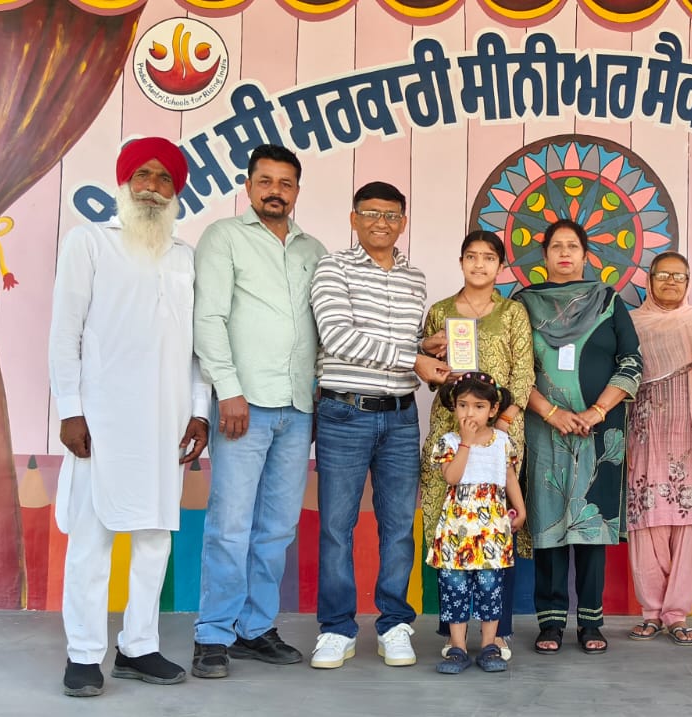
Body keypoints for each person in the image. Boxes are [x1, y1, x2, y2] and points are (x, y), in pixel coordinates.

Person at [49, 137, 209, 696]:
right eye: (142, 175)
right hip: (101, 421)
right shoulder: (90, 242)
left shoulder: (186, 257)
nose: (152, 187)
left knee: (154, 539)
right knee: (91, 541)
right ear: (124, 183)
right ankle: (83, 654)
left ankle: (138, 647)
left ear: (176, 192)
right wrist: (70, 411)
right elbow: (64, 333)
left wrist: (199, 412)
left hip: (167, 423)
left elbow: (197, 347)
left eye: (164, 179)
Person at [191, 144, 327, 678]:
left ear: (297, 191)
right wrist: (228, 390)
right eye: (265, 181)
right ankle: (212, 633)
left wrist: (318, 389)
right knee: (230, 524)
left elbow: (322, 326)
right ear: (248, 186)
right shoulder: (224, 237)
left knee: (276, 528)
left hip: (298, 406)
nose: (275, 191)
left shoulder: (313, 249)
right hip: (242, 406)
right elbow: (209, 318)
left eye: (285, 183)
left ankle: (255, 628)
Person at [310, 181, 451, 669]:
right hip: (343, 413)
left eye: (391, 215)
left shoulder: (415, 279)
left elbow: (404, 343)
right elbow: (338, 337)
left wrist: (425, 348)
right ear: (353, 219)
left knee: (398, 527)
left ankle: (395, 624)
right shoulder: (333, 267)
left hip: (401, 417)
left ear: (403, 223)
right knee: (337, 527)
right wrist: (413, 359)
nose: (381, 223)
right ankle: (336, 629)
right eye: (370, 213)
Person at [514, 219, 642, 656]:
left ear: (587, 256)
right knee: (549, 522)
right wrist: (551, 412)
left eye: (573, 246)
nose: (565, 253)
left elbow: (631, 361)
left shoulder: (608, 301)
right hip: (542, 430)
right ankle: (549, 624)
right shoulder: (523, 304)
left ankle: (591, 622)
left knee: (591, 526)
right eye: (556, 246)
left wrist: (596, 411)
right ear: (544, 255)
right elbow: (513, 367)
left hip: (597, 432)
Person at [418, 231, 534, 661]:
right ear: (461, 261)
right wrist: (432, 355)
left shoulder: (513, 312)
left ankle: (496, 634)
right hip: (450, 431)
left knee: (496, 528)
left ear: (501, 266)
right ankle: (453, 635)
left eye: (488, 258)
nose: (479, 264)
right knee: (447, 523)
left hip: (501, 431)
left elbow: (523, 374)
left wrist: (498, 425)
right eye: (472, 256)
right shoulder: (441, 312)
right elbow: (429, 374)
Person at [623, 251, 692, 647]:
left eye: (679, 276)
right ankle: (651, 612)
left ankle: (677, 614)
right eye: (663, 275)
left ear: (688, 283)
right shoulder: (631, 324)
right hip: (646, 429)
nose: (671, 282)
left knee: (689, 518)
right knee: (648, 516)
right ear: (649, 280)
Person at [426, 373, 529, 674]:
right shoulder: (449, 442)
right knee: (454, 587)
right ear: (454, 406)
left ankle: (489, 645)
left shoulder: (503, 442)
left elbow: (509, 477)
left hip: (492, 529)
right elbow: (452, 477)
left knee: (490, 587)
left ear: (493, 409)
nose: (469, 413)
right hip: (456, 530)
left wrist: (520, 509)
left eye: (479, 406)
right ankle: (457, 647)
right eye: (463, 405)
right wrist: (466, 444)